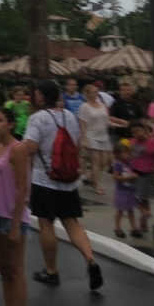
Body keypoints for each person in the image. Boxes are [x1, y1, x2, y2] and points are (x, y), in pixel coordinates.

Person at [23, 80, 103, 290]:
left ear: (41, 96)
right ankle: (90, 259)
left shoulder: (37, 119)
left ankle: (51, 271)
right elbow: (76, 143)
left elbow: (30, 148)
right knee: (72, 223)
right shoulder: (69, 116)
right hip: (68, 181)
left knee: (46, 223)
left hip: (44, 179)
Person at [0, 107, 29, 306]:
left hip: (12, 216)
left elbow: (22, 187)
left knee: (15, 270)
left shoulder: (17, 149)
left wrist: (15, 226)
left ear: (10, 124)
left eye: (0, 120)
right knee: (3, 269)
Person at [77, 83, 113, 195]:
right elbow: (83, 124)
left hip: (104, 135)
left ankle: (91, 177)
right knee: (96, 162)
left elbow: (107, 121)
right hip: (91, 135)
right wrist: (84, 139)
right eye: (92, 92)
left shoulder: (102, 105)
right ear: (87, 94)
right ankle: (98, 185)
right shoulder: (85, 107)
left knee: (105, 161)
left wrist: (120, 124)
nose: (94, 94)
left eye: (96, 92)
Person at [111, 144, 138, 238]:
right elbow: (116, 177)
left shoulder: (129, 164)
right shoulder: (118, 164)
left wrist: (134, 176)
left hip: (129, 190)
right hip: (121, 191)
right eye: (125, 153)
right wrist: (127, 177)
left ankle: (134, 227)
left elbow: (131, 174)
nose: (128, 155)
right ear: (118, 155)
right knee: (120, 211)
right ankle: (118, 228)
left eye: (129, 153)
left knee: (131, 210)